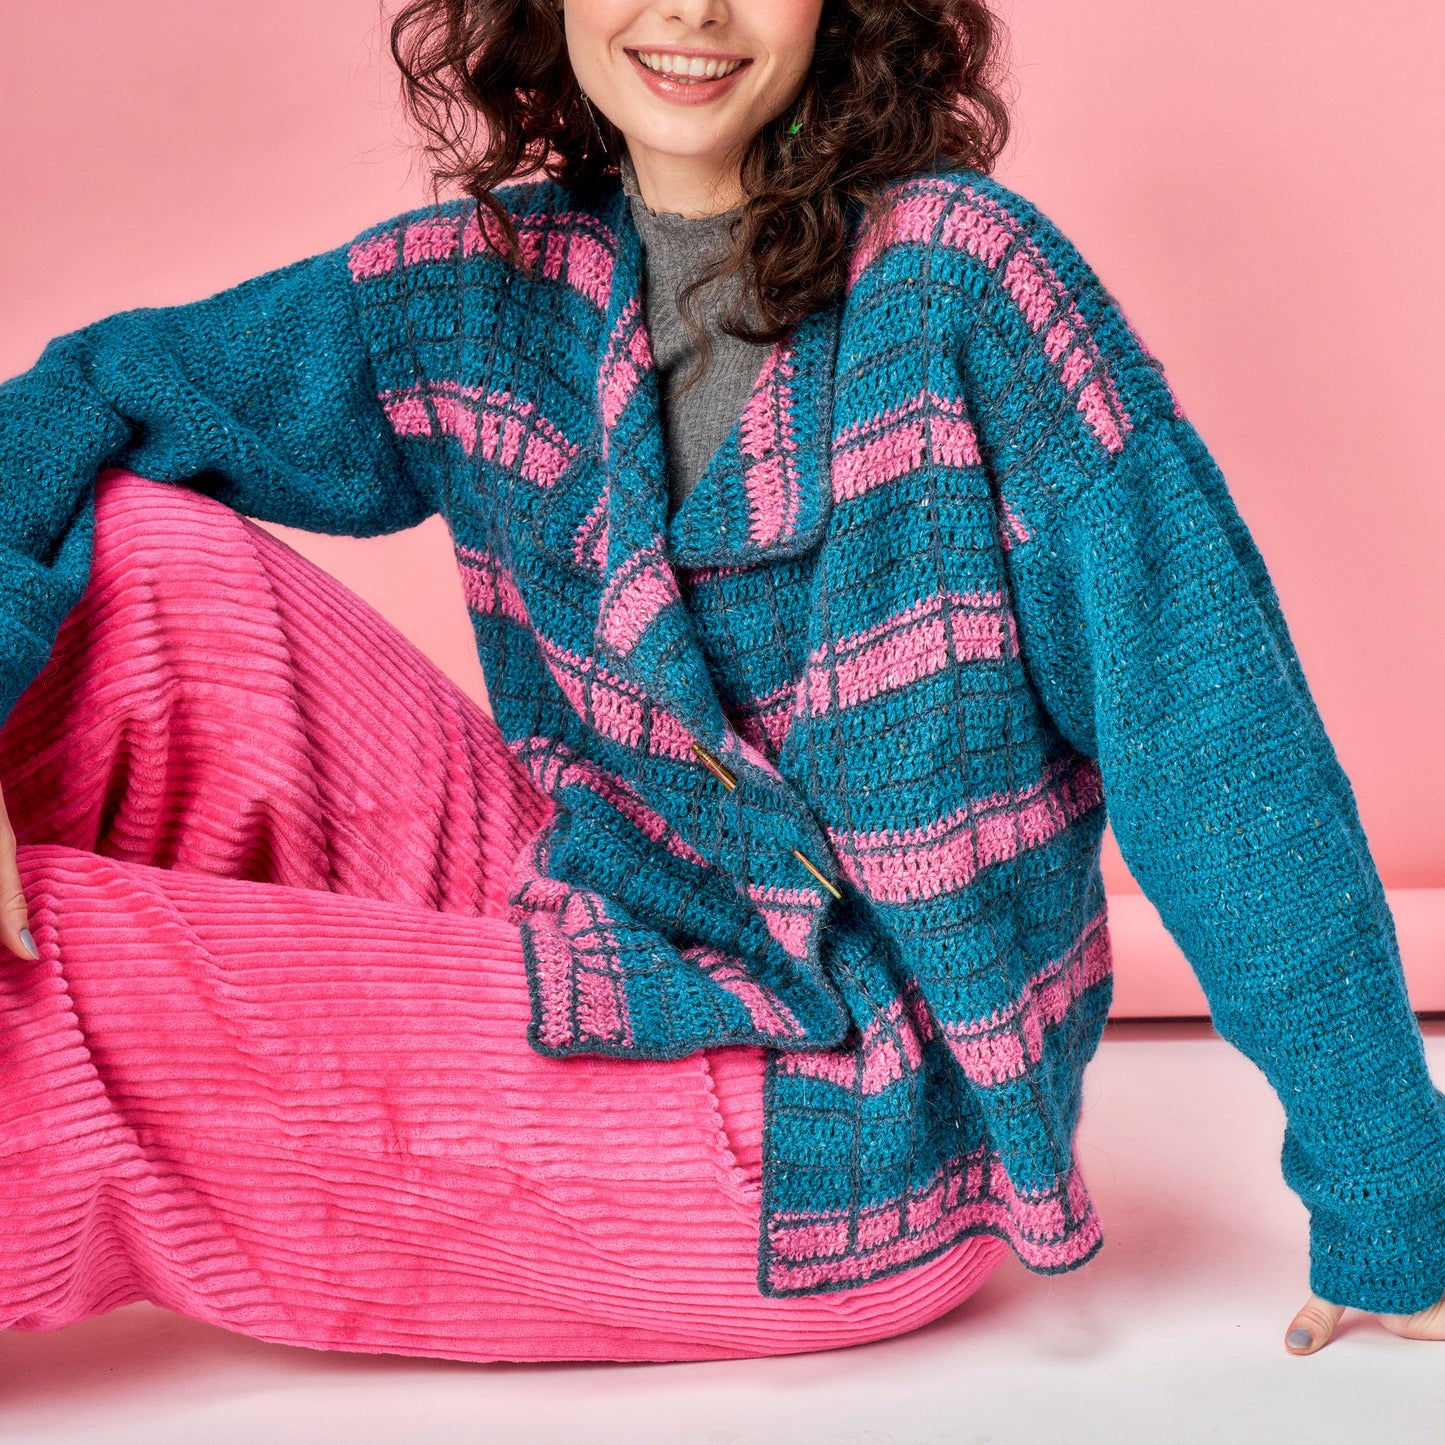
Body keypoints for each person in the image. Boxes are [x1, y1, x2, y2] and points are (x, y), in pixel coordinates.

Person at [0, 0, 1441, 1365]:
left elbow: (1215, 745)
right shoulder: (492, 285)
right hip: (598, 899)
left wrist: (1397, 1203)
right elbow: (94, 392)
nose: (690, 8)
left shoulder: (961, 283)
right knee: (125, 548)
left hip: (842, 1103)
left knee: (72, 971)